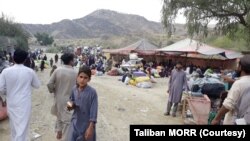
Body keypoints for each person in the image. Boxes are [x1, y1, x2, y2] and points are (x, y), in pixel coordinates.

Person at [0, 48, 40, 141]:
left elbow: (0, 88)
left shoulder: (6, 71)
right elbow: (37, 85)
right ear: (25, 59)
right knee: (22, 128)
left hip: (12, 102)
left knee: (14, 126)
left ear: (13, 58)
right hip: (24, 103)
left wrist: (7, 92)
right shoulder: (30, 71)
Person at [211, 55, 250, 125]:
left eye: (238, 65)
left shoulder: (239, 83)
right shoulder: (243, 82)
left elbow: (228, 105)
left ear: (241, 67)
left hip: (234, 121)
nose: (237, 68)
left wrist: (216, 119)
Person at [47, 53, 77, 140]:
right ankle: (65, 137)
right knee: (68, 120)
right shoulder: (76, 72)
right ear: (71, 61)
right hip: (70, 101)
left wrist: (54, 91)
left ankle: (59, 132)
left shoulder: (58, 70)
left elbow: (49, 84)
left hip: (59, 99)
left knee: (59, 115)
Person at [67, 66, 98, 141]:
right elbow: (71, 101)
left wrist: (90, 128)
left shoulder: (92, 92)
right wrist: (70, 105)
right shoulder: (74, 89)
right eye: (80, 77)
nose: (82, 80)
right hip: (75, 123)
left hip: (86, 125)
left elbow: (94, 112)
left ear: (89, 79)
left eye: (85, 78)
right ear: (77, 77)